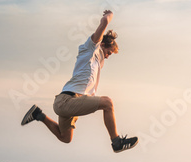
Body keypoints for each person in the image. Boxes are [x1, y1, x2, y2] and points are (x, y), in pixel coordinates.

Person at [21, 10, 138, 153]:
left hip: (70, 104)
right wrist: (110, 14)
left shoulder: (98, 61)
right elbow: (105, 22)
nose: (107, 57)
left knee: (65, 138)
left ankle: (38, 114)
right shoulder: (90, 48)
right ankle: (116, 142)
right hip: (66, 101)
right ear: (102, 45)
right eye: (109, 53)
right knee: (108, 103)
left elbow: (98, 64)